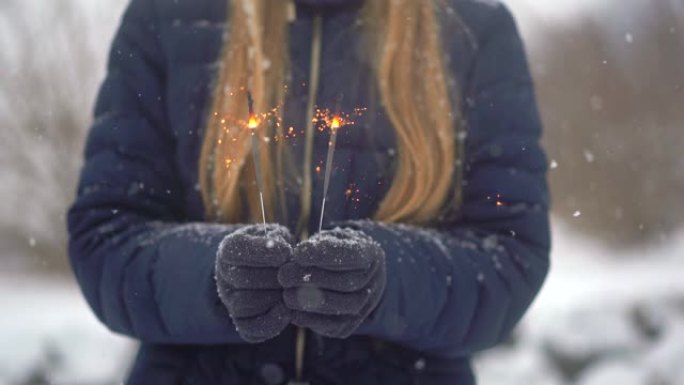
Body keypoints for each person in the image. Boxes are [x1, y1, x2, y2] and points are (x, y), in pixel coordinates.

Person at [67, 0, 551, 384]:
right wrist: (211, 276)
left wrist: (389, 280)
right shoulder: (167, 14)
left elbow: (509, 253)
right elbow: (106, 237)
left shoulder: (473, 30)